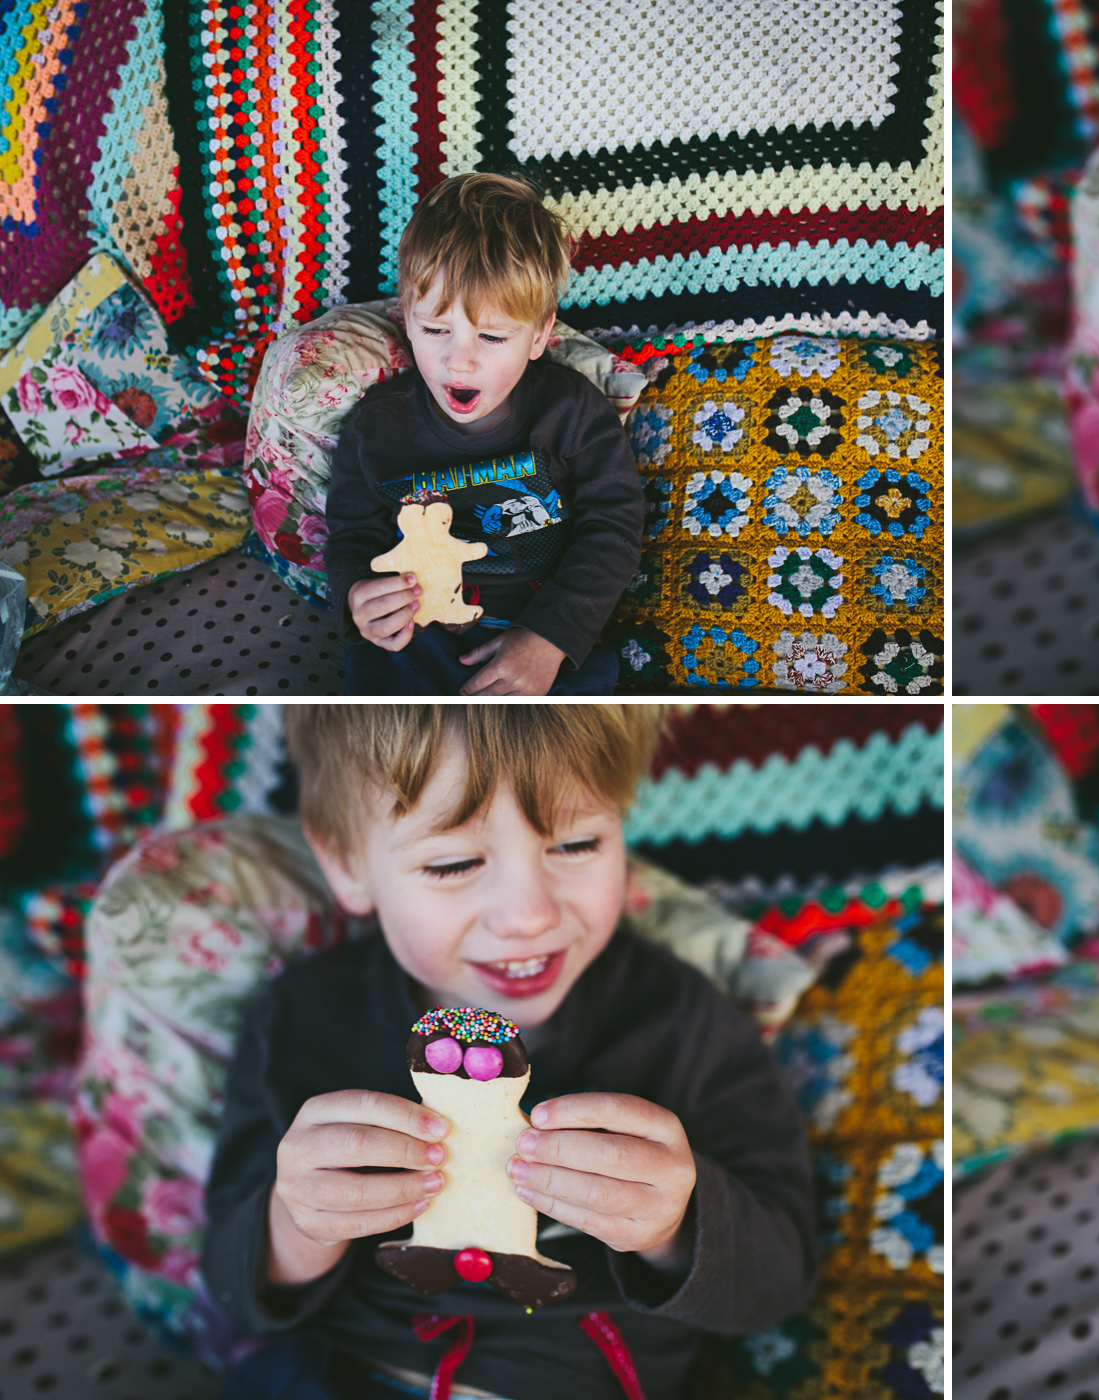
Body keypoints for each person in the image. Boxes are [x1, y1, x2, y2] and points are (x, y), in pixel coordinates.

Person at [204, 706, 817, 1400]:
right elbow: (231, 1287)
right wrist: (295, 1222)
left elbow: (779, 1282)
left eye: (577, 844)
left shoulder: (680, 1021)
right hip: (340, 1373)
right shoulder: (302, 1019)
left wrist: (677, 1225)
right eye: (454, 862)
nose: (530, 914)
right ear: (348, 865)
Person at [327, 173, 643, 696]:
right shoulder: (375, 426)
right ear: (406, 318)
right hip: (417, 640)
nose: (460, 360)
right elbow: (351, 534)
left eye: (492, 336)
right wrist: (357, 594)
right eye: (435, 330)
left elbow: (615, 527)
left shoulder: (570, 412)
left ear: (540, 336)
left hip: (544, 632)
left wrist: (550, 637)